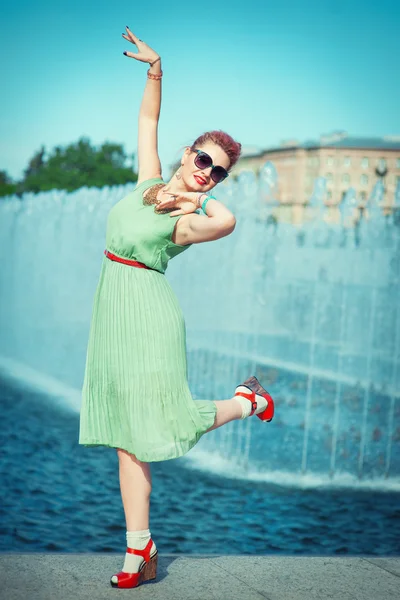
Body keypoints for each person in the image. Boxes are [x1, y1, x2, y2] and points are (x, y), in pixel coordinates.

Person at [78, 25, 275, 590]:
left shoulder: (187, 220)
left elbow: (228, 221)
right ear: (188, 152)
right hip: (113, 310)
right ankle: (139, 549)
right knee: (124, 431)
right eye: (202, 159)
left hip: (149, 315)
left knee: (159, 422)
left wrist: (199, 196)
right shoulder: (146, 182)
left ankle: (244, 402)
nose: (206, 170)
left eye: (217, 171)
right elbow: (147, 123)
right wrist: (155, 69)